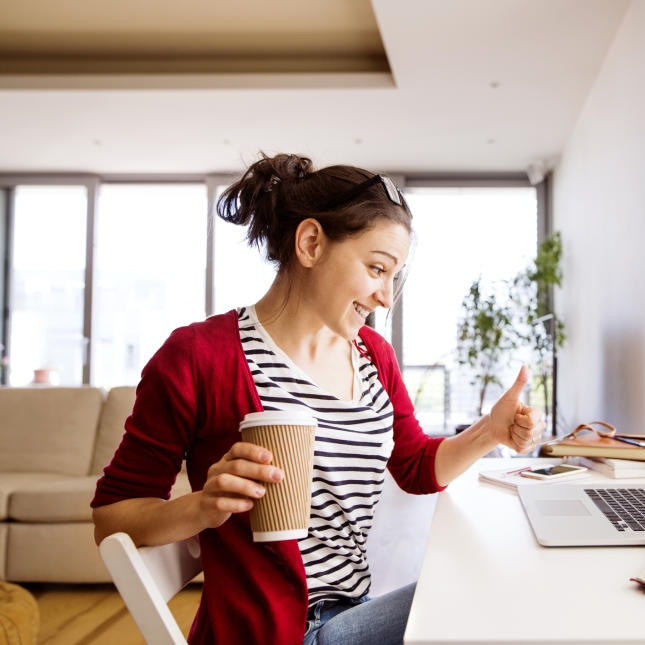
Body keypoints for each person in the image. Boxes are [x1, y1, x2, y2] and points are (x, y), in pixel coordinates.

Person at [91, 153, 545, 645]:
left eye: (395, 277)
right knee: (493, 594)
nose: (386, 297)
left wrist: (489, 432)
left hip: (351, 619)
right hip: (277, 634)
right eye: (376, 269)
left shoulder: (374, 356)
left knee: (496, 581)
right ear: (310, 244)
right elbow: (113, 516)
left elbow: (415, 466)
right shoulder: (200, 357)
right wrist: (202, 508)